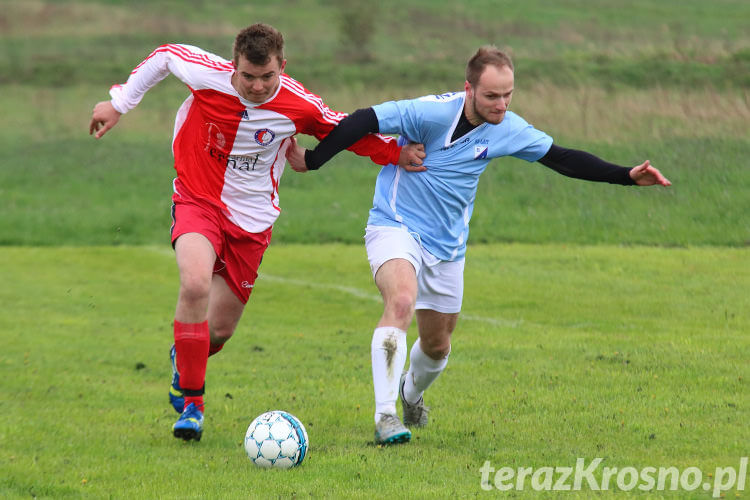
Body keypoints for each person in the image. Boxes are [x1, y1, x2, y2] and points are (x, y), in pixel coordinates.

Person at [286, 46, 671, 445]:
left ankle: (409, 395)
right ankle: (385, 418)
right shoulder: (431, 113)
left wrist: (626, 175)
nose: (501, 104)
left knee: (437, 347)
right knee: (400, 303)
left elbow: (562, 159)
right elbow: (364, 119)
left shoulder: (508, 128)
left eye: (508, 95)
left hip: (448, 246)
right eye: (491, 96)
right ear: (468, 88)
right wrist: (315, 160)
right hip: (395, 225)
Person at [89, 23, 424, 442]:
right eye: (248, 76)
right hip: (198, 199)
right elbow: (165, 56)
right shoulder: (206, 74)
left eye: (268, 77)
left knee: (220, 330)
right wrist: (119, 103)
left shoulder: (298, 104)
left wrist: (394, 152)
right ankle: (193, 403)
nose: (258, 86)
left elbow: (342, 130)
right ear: (235, 66)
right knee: (194, 286)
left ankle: (185, 356)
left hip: (252, 222)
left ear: (283, 66)